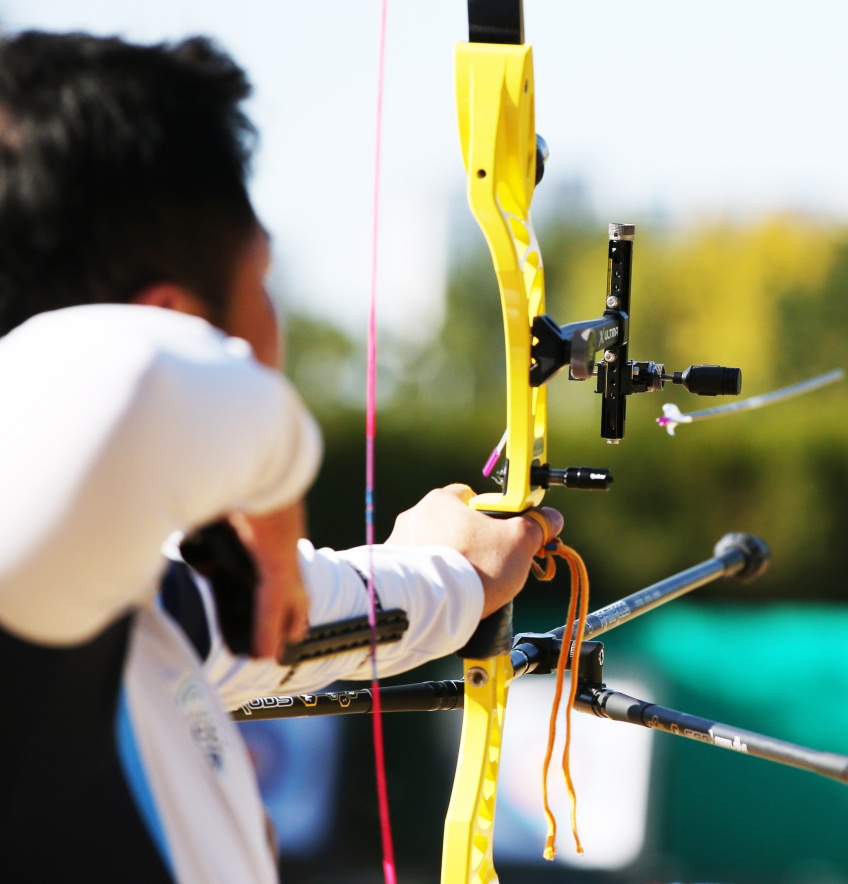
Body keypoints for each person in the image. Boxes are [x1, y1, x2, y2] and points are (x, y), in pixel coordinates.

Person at [0, 31, 558, 882]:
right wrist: (274, 507)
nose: (273, 314)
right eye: (260, 274)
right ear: (175, 315)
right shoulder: (30, 578)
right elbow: (153, 379)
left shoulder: (132, 606)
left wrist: (453, 570)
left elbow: (293, 627)